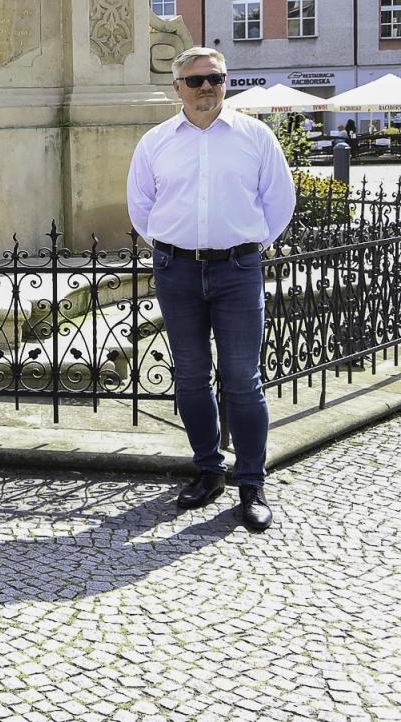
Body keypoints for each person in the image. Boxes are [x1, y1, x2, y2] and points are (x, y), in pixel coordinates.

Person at [127, 47, 294, 532]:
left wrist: (242, 246)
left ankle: (251, 483)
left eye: (215, 79)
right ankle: (209, 470)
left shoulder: (255, 137)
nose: (206, 88)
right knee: (192, 376)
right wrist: (175, 246)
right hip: (176, 271)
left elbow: (278, 202)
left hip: (237, 270)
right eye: (196, 80)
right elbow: (142, 206)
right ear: (176, 87)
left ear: (226, 82)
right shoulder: (156, 142)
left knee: (243, 378)